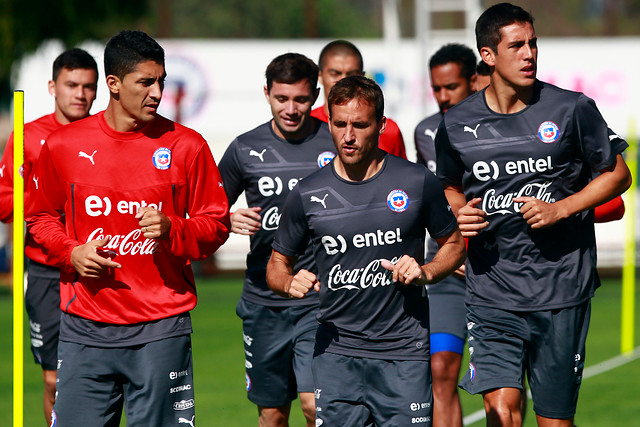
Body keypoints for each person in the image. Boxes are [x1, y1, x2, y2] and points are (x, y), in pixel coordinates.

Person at [435, 3, 631, 427]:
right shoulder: (457, 124)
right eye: (517, 45)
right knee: (501, 414)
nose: (529, 54)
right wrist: (458, 212)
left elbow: (618, 175)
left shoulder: (571, 108)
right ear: (488, 56)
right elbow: (448, 186)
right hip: (491, 292)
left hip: (561, 291)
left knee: (554, 423)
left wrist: (561, 208)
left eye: (533, 43)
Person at [25, 30, 230, 426]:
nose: (157, 92)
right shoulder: (64, 145)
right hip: (85, 327)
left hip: (161, 328)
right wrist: (71, 252)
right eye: (146, 82)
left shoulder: (187, 146)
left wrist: (174, 228)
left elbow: (216, 224)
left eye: (161, 81)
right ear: (114, 85)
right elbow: (40, 217)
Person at [267, 75, 466, 426]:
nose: (348, 135)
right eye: (340, 124)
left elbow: (454, 244)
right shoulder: (308, 193)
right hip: (335, 354)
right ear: (328, 122)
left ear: (381, 125)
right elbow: (277, 264)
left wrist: (427, 272)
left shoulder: (416, 181)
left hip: (404, 352)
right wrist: (287, 283)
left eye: (359, 125)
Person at [218, 53, 335, 427]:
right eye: (282, 99)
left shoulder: (334, 143)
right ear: (266, 93)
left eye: (301, 99)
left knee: (316, 405)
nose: (291, 108)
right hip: (263, 301)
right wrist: (227, 219)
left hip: (320, 296)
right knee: (271, 414)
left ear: (315, 95)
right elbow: (205, 211)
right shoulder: (244, 149)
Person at [0, 48, 98, 425]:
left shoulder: (105, 133)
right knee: (55, 380)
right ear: (52, 87)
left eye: (88, 87)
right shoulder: (28, 136)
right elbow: (4, 202)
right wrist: (46, 198)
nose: (80, 94)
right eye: (71, 85)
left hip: (93, 269)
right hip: (44, 271)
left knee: (98, 375)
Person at [414, 42, 477, 427]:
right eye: (436, 88)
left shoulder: (500, 127)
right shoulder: (424, 132)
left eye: (450, 87)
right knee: (441, 371)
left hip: (501, 275)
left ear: (473, 81)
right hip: (446, 280)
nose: (442, 97)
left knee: (503, 389)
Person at [312, 39, 408, 159]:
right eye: (335, 73)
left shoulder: (389, 131)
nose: (343, 80)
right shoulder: (309, 126)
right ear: (320, 76)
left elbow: (402, 174)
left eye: (351, 74)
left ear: (362, 76)